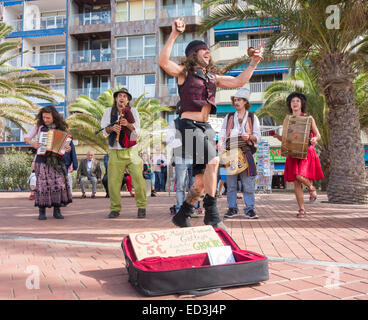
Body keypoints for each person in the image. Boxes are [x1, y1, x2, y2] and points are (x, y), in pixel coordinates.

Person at [158, 18, 263, 230]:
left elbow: (238, 82)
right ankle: (212, 213)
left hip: (206, 128)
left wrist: (254, 63)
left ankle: (183, 213)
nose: (208, 52)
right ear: (193, 54)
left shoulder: (213, 78)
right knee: (214, 161)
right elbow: (163, 62)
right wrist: (174, 34)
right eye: (203, 50)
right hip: (188, 126)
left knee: (199, 182)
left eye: (209, 50)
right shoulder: (184, 73)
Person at [272, 92, 324, 218]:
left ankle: (311, 188)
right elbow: (286, 139)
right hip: (292, 152)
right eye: (292, 101)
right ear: (290, 104)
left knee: (299, 176)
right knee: (296, 182)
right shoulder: (287, 119)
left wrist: (315, 139)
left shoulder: (308, 118)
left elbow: (318, 135)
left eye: (297, 101)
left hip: (306, 151)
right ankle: (302, 209)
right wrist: (277, 136)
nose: (295, 103)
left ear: (302, 104)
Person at [100, 87, 146, 219]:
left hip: (132, 151)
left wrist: (129, 125)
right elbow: (104, 130)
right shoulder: (108, 112)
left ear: (128, 100)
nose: (122, 98)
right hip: (115, 151)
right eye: (120, 96)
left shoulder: (134, 111)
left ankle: (142, 207)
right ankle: (115, 208)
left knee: (138, 180)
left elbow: (137, 131)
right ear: (115, 98)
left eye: (125, 96)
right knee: (113, 182)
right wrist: (111, 128)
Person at [219, 85, 262, 219]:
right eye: (235, 100)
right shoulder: (229, 116)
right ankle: (232, 209)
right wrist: (220, 142)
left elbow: (258, 138)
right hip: (231, 152)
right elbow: (222, 132)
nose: (236, 102)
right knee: (231, 185)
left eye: (239, 100)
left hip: (246, 152)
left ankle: (249, 209)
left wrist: (249, 137)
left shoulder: (253, 117)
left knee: (247, 184)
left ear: (245, 102)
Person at [24, 105, 72, 220]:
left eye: (48, 118)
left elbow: (66, 145)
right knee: (42, 186)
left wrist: (67, 148)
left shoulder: (61, 128)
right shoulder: (39, 126)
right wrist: (33, 144)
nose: (45, 120)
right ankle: (42, 211)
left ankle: (57, 210)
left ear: (54, 117)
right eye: (44, 117)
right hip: (42, 159)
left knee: (58, 185)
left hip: (57, 160)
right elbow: (27, 137)